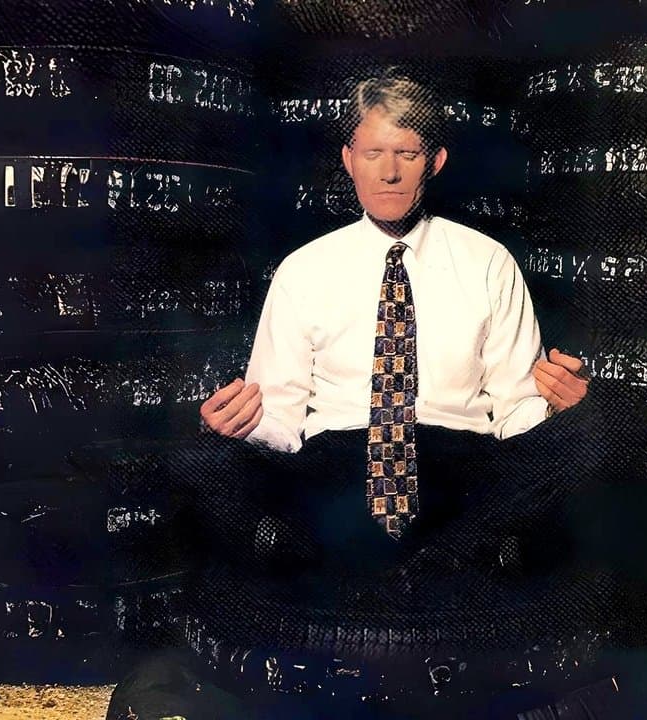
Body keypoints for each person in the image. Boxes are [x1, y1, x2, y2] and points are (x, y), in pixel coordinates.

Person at [108, 71, 618, 720]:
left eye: (407, 153)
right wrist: (235, 425)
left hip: (462, 475)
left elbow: (515, 409)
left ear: (435, 161)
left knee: (605, 424)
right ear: (348, 159)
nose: (390, 172)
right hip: (336, 475)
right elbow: (282, 414)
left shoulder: (488, 262)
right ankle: (319, 553)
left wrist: (561, 410)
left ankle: (450, 555)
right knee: (200, 453)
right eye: (374, 152)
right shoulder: (304, 270)